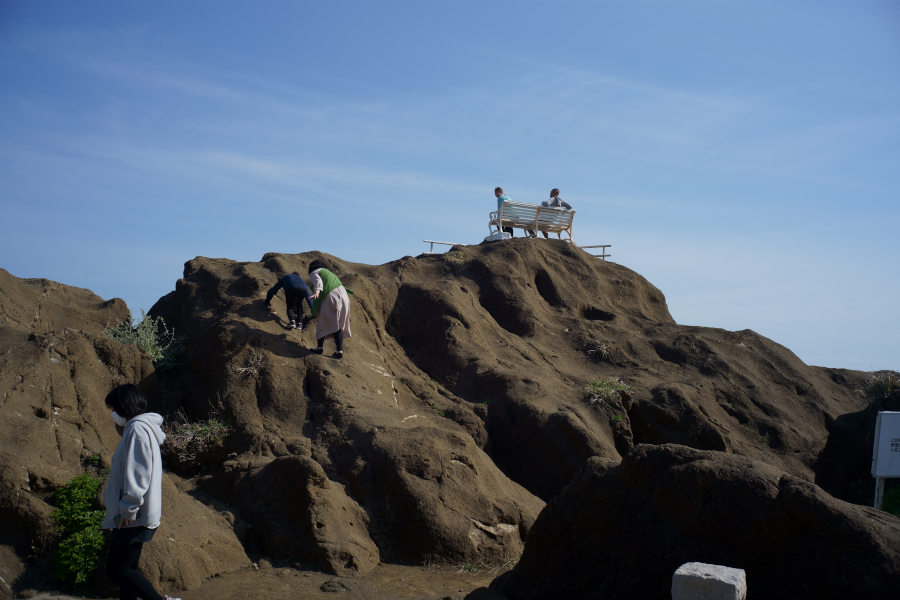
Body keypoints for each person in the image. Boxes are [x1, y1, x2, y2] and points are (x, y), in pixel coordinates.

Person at [102, 384, 180, 600]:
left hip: (132, 515)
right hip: (136, 514)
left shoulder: (137, 430)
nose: (113, 414)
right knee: (128, 571)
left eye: (113, 408)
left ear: (122, 406)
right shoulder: (141, 428)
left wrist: (128, 509)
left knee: (116, 571)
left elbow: (139, 475)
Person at [307, 259, 353, 359]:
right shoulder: (330, 273)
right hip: (344, 298)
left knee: (323, 321)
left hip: (330, 297)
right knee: (338, 325)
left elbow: (318, 282)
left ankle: (319, 348)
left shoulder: (315, 272)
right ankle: (339, 351)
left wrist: (316, 293)